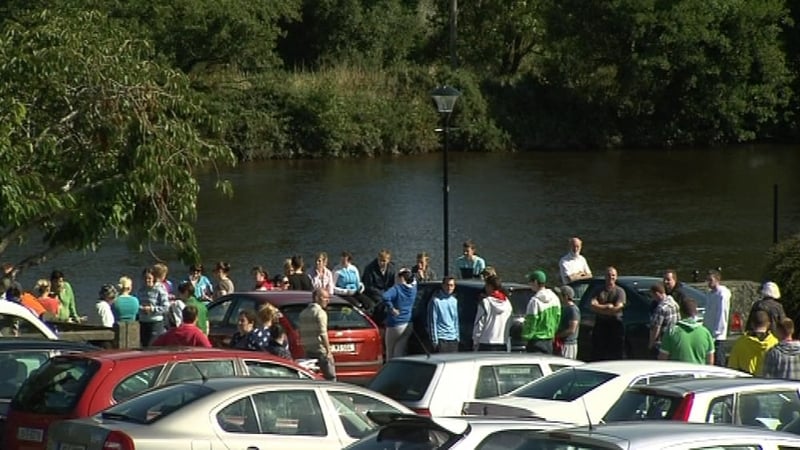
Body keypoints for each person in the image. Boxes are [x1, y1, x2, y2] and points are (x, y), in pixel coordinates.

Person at [659, 298, 715, 364]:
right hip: (699, 373)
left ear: (680, 312)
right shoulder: (705, 332)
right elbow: (710, 361)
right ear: (696, 313)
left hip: (678, 373)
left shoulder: (671, 331)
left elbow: (662, 359)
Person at [590, 266, 626, 361]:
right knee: (598, 353)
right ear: (605, 277)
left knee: (615, 354)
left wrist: (600, 309)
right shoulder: (598, 290)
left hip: (615, 325)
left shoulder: (620, 291)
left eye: (613, 275)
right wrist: (607, 307)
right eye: (609, 275)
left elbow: (617, 309)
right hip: (601, 325)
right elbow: (592, 305)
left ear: (616, 277)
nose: (611, 277)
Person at [299, 288, 335, 380]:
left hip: (308, 350)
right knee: (331, 378)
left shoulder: (303, 313)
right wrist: (328, 351)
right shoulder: (320, 313)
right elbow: (323, 333)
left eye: (328, 298)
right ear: (316, 298)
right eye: (325, 298)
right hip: (320, 350)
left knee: (311, 378)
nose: (328, 300)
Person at [521, 270, 561, 354]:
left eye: (530, 282)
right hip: (549, 340)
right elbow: (557, 319)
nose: (529, 284)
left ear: (535, 282)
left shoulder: (534, 301)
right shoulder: (555, 298)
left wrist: (525, 338)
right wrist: (553, 333)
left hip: (536, 341)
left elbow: (531, 322)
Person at [728, 310, 778, 375]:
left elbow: (732, 368)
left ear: (752, 324)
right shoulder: (775, 343)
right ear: (768, 324)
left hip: (746, 382)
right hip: (767, 383)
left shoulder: (741, 343)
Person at [382, 268, 417, 359]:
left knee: (390, 351)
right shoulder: (414, 288)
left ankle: (390, 371)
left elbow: (385, 296)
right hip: (408, 323)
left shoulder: (397, 288)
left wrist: (392, 308)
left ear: (401, 278)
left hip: (395, 323)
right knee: (399, 352)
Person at [473, 275, 512, 351]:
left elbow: (479, 323)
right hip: (502, 343)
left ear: (490, 286)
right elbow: (509, 322)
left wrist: (475, 341)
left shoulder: (485, 302)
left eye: (486, 285)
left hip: (486, 343)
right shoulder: (508, 303)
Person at [137, 267, 169, 347]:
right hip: (143, 322)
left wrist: (152, 309)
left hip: (156, 322)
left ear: (154, 278)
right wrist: (141, 308)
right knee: (144, 346)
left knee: (153, 346)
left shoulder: (160, 289)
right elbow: (137, 304)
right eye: (145, 278)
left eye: (149, 278)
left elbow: (166, 307)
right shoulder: (140, 290)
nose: (147, 280)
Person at [704, 269, 731, 365]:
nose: (708, 283)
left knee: (719, 359)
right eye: (707, 280)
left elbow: (722, 313)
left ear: (717, 280)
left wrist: (717, 331)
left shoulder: (722, 294)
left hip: (717, 335)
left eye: (710, 280)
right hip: (709, 332)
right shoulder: (710, 294)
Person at [648, 282, 680, 357]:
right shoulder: (674, 304)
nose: (653, 298)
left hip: (662, 341)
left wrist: (651, 343)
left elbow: (656, 327)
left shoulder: (661, 308)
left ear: (657, 294)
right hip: (674, 338)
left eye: (652, 295)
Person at [428, 277, 459, 353]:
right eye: (447, 285)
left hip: (453, 339)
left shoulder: (454, 301)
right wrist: (434, 341)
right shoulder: (436, 301)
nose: (449, 288)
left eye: (451, 285)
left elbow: (455, 320)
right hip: (441, 338)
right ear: (443, 285)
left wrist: (457, 337)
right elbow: (432, 322)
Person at [555, 285, 580, 359]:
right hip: (562, 343)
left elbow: (572, 329)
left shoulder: (573, 310)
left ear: (565, 296)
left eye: (560, 295)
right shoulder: (564, 308)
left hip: (568, 345)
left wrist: (557, 336)